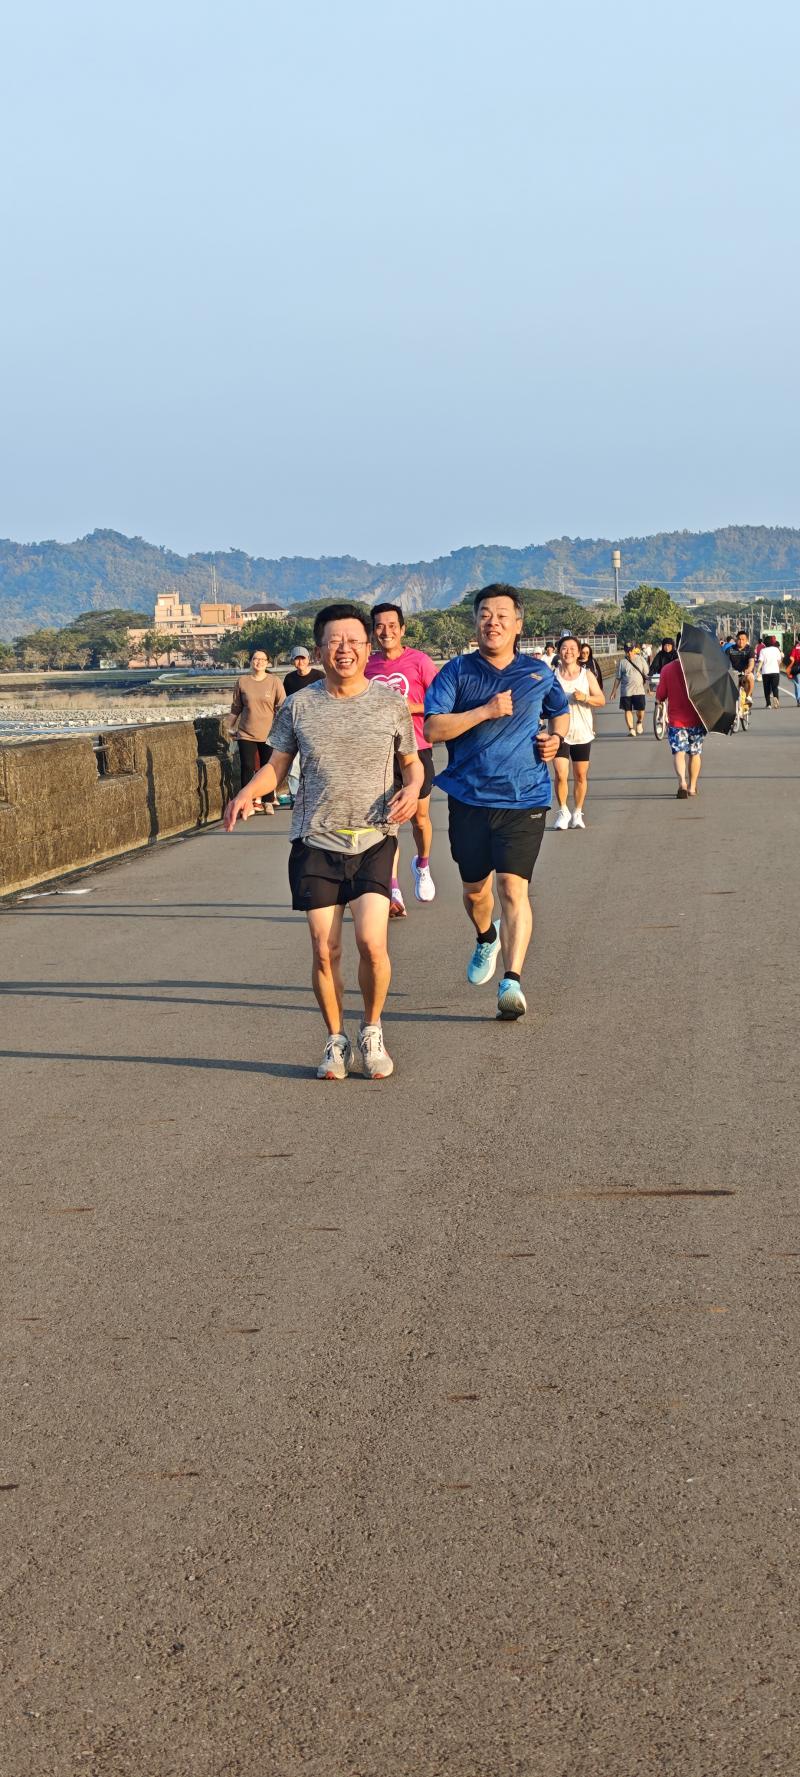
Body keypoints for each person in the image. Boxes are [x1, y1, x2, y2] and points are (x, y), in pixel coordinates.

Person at [224, 603, 423, 1080]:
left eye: (354, 641)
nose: (344, 649)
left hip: (374, 836)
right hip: (315, 839)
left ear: (368, 648)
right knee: (323, 949)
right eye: (334, 641)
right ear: (318, 651)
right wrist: (247, 792)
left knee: (371, 943)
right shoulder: (299, 706)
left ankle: (371, 1030)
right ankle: (335, 1040)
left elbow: (411, 762)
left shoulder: (389, 703)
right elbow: (276, 766)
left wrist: (414, 788)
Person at [423, 584, 569, 1020]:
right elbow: (432, 729)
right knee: (475, 892)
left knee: (512, 886)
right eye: (485, 614)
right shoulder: (457, 671)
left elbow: (559, 711)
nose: (493, 622)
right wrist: (484, 711)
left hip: (525, 796)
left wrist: (555, 738)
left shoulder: (538, 673)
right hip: (469, 797)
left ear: (518, 624)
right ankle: (486, 937)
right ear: (475, 621)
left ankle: (512, 982)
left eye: (503, 616)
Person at [365, 603, 439, 914]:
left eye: (392, 625)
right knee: (388, 822)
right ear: (373, 631)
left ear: (403, 629)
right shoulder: (366, 666)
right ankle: (392, 889)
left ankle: (422, 864)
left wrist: (411, 708)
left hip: (417, 748)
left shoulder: (420, 661)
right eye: (380, 626)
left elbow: (441, 701)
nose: (386, 631)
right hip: (382, 752)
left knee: (420, 817)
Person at [552, 635, 606, 829]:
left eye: (572, 648)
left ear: (578, 652)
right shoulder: (552, 675)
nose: (568, 651)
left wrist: (585, 698)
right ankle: (563, 811)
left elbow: (601, 700)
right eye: (564, 648)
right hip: (559, 732)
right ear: (559, 652)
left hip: (582, 731)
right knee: (560, 774)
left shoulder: (586, 675)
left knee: (580, 775)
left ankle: (577, 812)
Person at [228, 649, 285, 814]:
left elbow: (282, 707)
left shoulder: (274, 682)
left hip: (269, 733)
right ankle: (248, 803)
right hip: (246, 732)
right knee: (247, 766)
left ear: (267, 662)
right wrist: (228, 727)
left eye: (262, 659)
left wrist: (283, 728)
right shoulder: (242, 681)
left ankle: (268, 800)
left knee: (268, 767)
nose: (258, 662)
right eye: (255, 659)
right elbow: (236, 707)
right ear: (251, 661)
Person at [655, 655, 706, 798]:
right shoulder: (699, 668)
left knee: (679, 752)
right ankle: (692, 787)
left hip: (676, 720)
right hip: (697, 718)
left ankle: (682, 783)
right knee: (695, 753)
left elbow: (661, 695)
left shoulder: (667, 669)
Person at [283, 646, 325, 802]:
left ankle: (316, 793)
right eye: (297, 659)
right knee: (294, 763)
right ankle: (295, 796)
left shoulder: (319, 676)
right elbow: (286, 703)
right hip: (296, 725)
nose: (300, 662)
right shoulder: (289, 679)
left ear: (308, 659)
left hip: (317, 725)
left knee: (316, 761)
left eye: (302, 658)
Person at [610, 641, 650, 735]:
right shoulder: (622, 662)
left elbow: (647, 675)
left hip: (639, 690)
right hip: (626, 691)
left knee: (641, 710)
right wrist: (614, 691)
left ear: (634, 650)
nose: (629, 653)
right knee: (627, 710)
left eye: (630, 650)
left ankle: (639, 722)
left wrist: (649, 687)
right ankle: (631, 729)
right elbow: (618, 678)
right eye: (627, 651)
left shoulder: (641, 659)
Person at [728, 630, 756, 704]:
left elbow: (751, 662)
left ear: (746, 640)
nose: (741, 641)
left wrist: (749, 669)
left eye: (743, 639)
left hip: (745, 673)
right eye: (739, 639)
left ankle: (748, 696)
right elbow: (725, 661)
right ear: (736, 640)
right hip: (734, 673)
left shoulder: (750, 649)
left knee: (750, 677)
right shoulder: (730, 649)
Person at [757, 635, 783, 708]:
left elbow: (761, 662)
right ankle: (776, 699)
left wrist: (758, 670)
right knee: (775, 687)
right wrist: (777, 667)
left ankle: (768, 704)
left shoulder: (763, 651)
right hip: (775, 671)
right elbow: (779, 661)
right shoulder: (776, 650)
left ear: (765, 643)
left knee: (766, 688)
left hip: (765, 672)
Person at [787, 635, 800, 705]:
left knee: (797, 684)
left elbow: (791, 658)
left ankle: (798, 699)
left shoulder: (795, 648)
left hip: (797, 667)